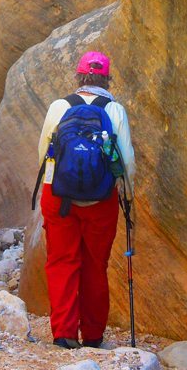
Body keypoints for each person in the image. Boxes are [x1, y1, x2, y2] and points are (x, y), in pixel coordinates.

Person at [36, 51, 135, 349]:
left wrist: (53, 185)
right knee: (95, 265)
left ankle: (64, 334)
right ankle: (92, 336)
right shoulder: (114, 109)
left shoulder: (59, 106)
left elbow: (43, 153)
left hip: (58, 196)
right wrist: (126, 195)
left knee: (62, 262)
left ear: (79, 76)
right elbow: (127, 161)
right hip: (101, 201)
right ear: (107, 78)